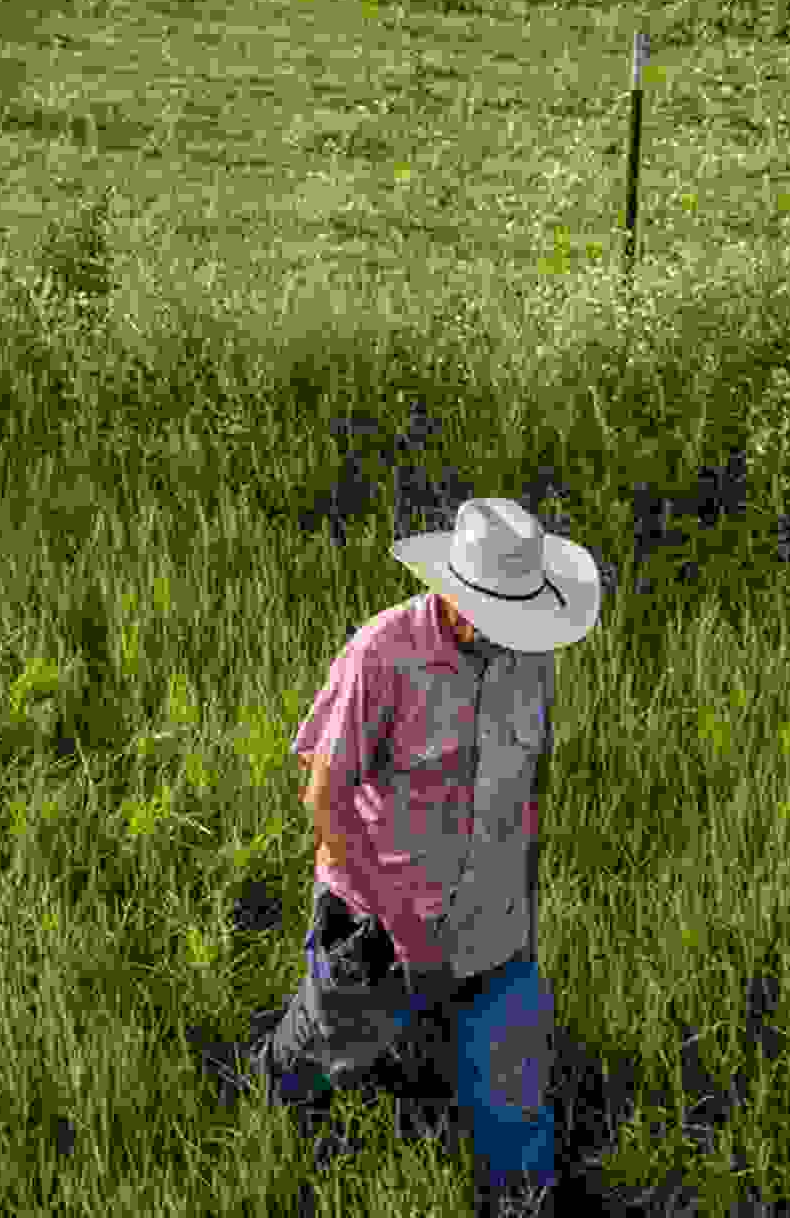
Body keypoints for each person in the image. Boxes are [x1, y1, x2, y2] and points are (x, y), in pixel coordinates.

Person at [260, 497, 605, 1218]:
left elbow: (528, 781)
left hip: (493, 921)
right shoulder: (381, 654)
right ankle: (272, 1097)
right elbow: (325, 794)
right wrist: (391, 919)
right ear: (455, 591)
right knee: (330, 1047)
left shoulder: (532, 656)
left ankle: (521, 1199)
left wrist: (522, 900)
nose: (508, 631)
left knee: (515, 1098)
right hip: (378, 922)